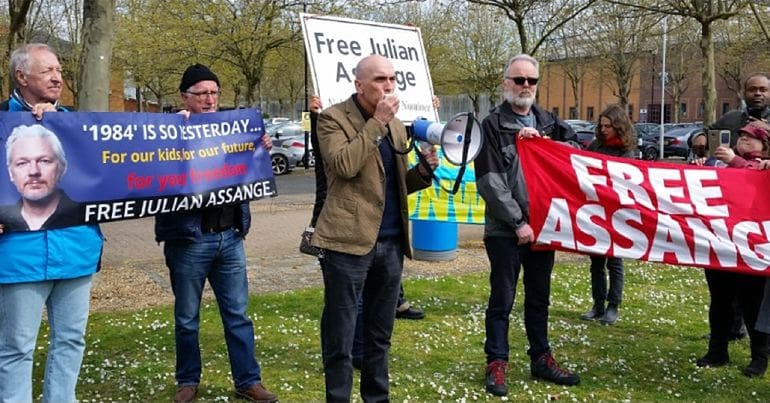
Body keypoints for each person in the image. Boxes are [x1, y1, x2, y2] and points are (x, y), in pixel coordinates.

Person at [311, 54, 438, 401]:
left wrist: (423, 172)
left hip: (391, 243)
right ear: (359, 85)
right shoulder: (333, 119)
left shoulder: (395, 125)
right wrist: (376, 124)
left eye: (392, 79)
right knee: (341, 336)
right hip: (348, 244)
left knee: (380, 336)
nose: (389, 86)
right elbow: (344, 166)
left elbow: (393, 186)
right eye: (380, 79)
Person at [154, 64, 277, 403]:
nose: (209, 100)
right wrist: (173, 132)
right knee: (186, 318)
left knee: (238, 315)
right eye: (201, 93)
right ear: (185, 97)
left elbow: (249, 171)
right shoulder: (166, 131)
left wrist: (260, 147)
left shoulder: (234, 129)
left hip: (230, 237)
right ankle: (188, 381)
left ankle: (248, 380)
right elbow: (151, 174)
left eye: (213, 93)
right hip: (188, 240)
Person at [0, 43, 104, 403]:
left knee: (71, 340)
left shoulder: (77, 123)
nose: (58, 77)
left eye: (59, 69)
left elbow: (127, 159)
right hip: (18, 259)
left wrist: (185, 129)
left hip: (76, 251)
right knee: (16, 347)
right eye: (47, 71)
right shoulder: (0, 122)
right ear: (21, 76)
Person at [475, 53, 580, 397]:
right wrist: (518, 222)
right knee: (502, 298)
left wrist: (548, 145)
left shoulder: (549, 121)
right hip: (507, 230)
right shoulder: (490, 126)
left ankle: (541, 358)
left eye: (531, 81)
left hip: (544, 228)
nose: (524, 86)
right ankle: (496, 362)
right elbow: (490, 182)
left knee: (539, 298)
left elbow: (579, 156)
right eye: (518, 80)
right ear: (505, 83)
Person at [695, 120, 770, 377]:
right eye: (741, 136)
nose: (743, 140)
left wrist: (735, 162)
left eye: (751, 137)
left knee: (752, 304)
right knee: (720, 301)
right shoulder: (721, 164)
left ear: (765, 145)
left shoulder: (763, 168)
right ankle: (717, 350)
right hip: (721, 243)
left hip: (752, 247)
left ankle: (759, 357)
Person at [580, 105, 637, 326]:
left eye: (608, 126)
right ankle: (598, 304)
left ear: (618, 126)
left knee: (614, 261)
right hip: (595, 210)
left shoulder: (626, 151)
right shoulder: (596, 146)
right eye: (601, 126)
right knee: (596, 262)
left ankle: (613, 306)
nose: (603, 130)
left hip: (616, 213)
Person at [1, 125, 83, 231]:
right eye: (22, 163)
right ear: (10, 173)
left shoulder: (83, 215)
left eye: (44, 161)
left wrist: (58, 115)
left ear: (62, 168)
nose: (33, 171)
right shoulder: (3, 218)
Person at [710, 74, 770, 147]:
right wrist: (698, 136)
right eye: (752, 90)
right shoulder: (731, 117)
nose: (757, 93)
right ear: (744, 94)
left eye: (763, 90)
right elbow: (708, 132)